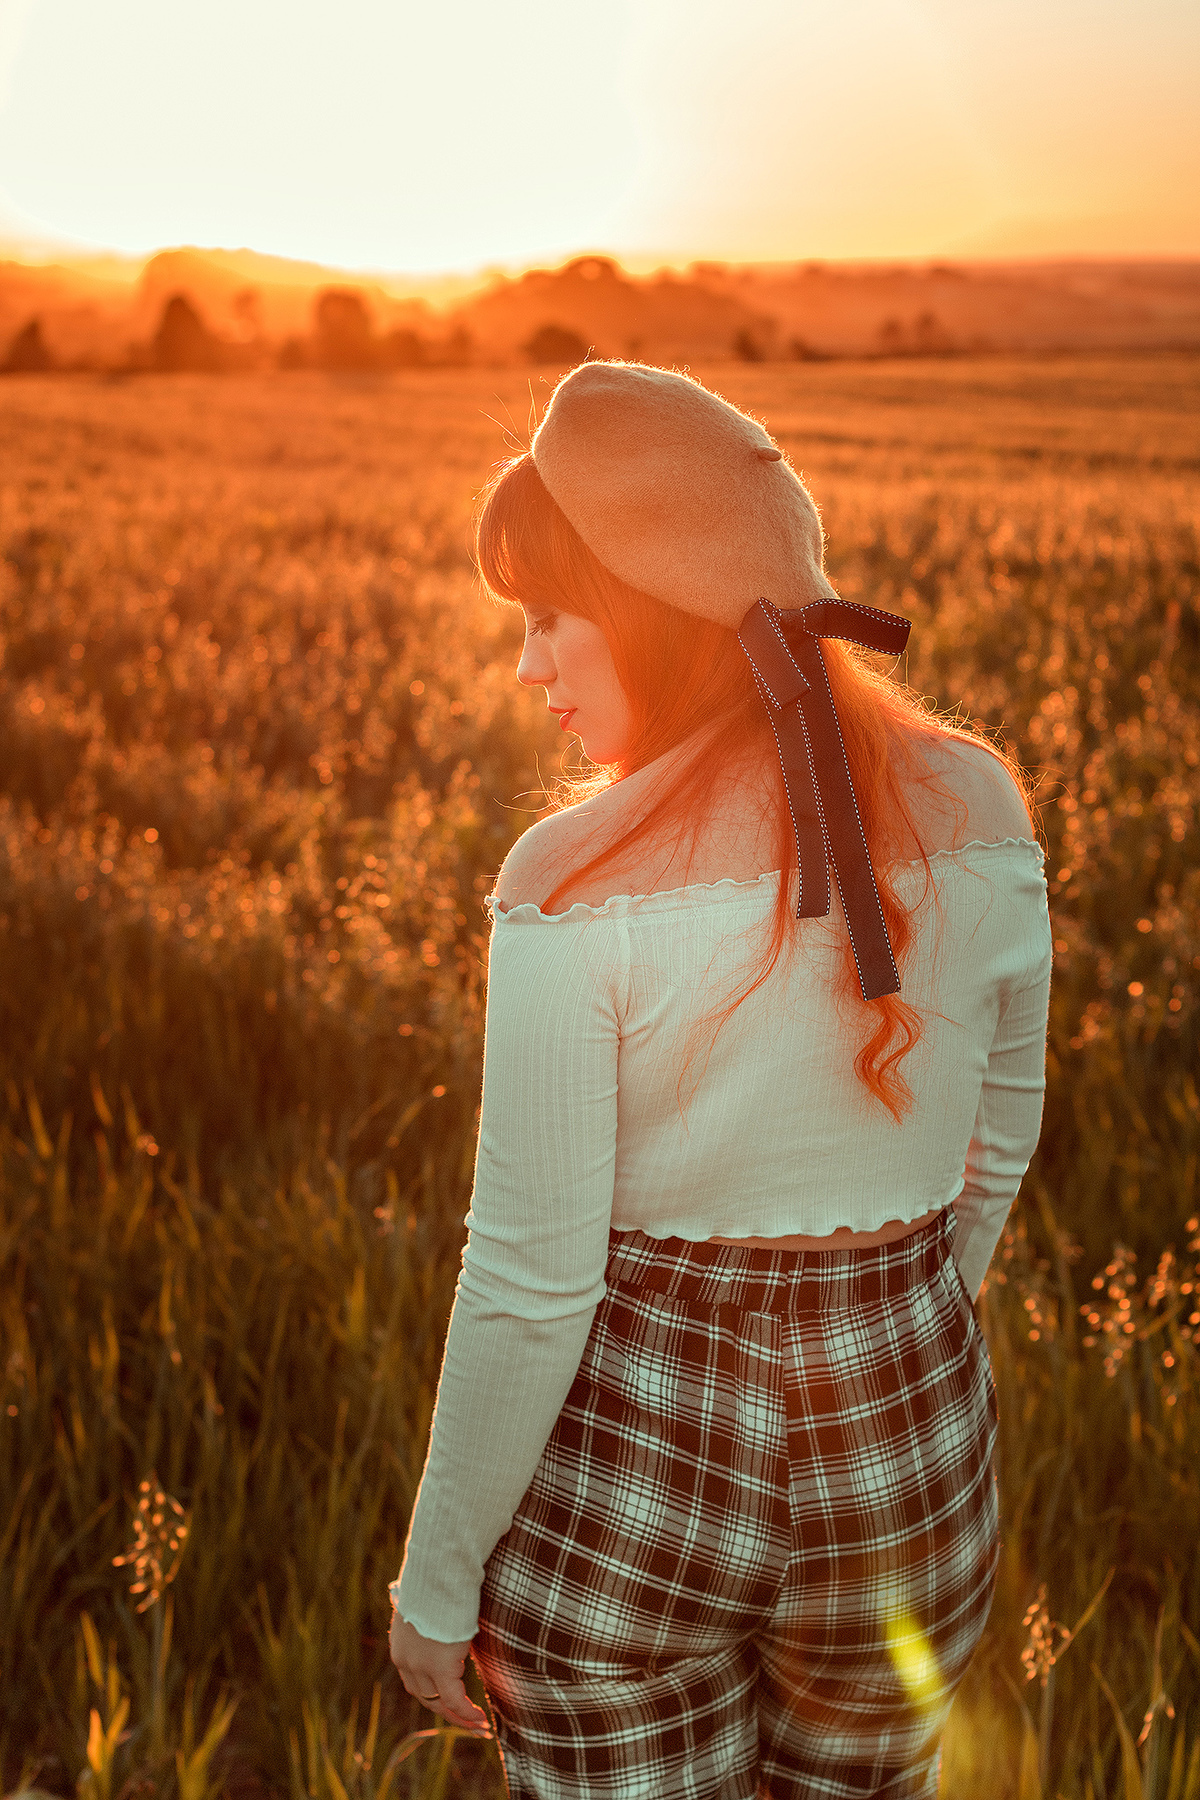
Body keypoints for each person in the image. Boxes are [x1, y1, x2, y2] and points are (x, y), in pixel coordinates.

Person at [388, 363, 1052, 1799]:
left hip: (642, 1461)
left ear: (646, 613)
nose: (529, 667)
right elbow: (997, 1152)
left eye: (548, 618)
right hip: (913, 1434)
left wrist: (437, 1586)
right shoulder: (984, 809)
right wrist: (899, 1338)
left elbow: (529, 1278)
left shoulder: (569, 881)